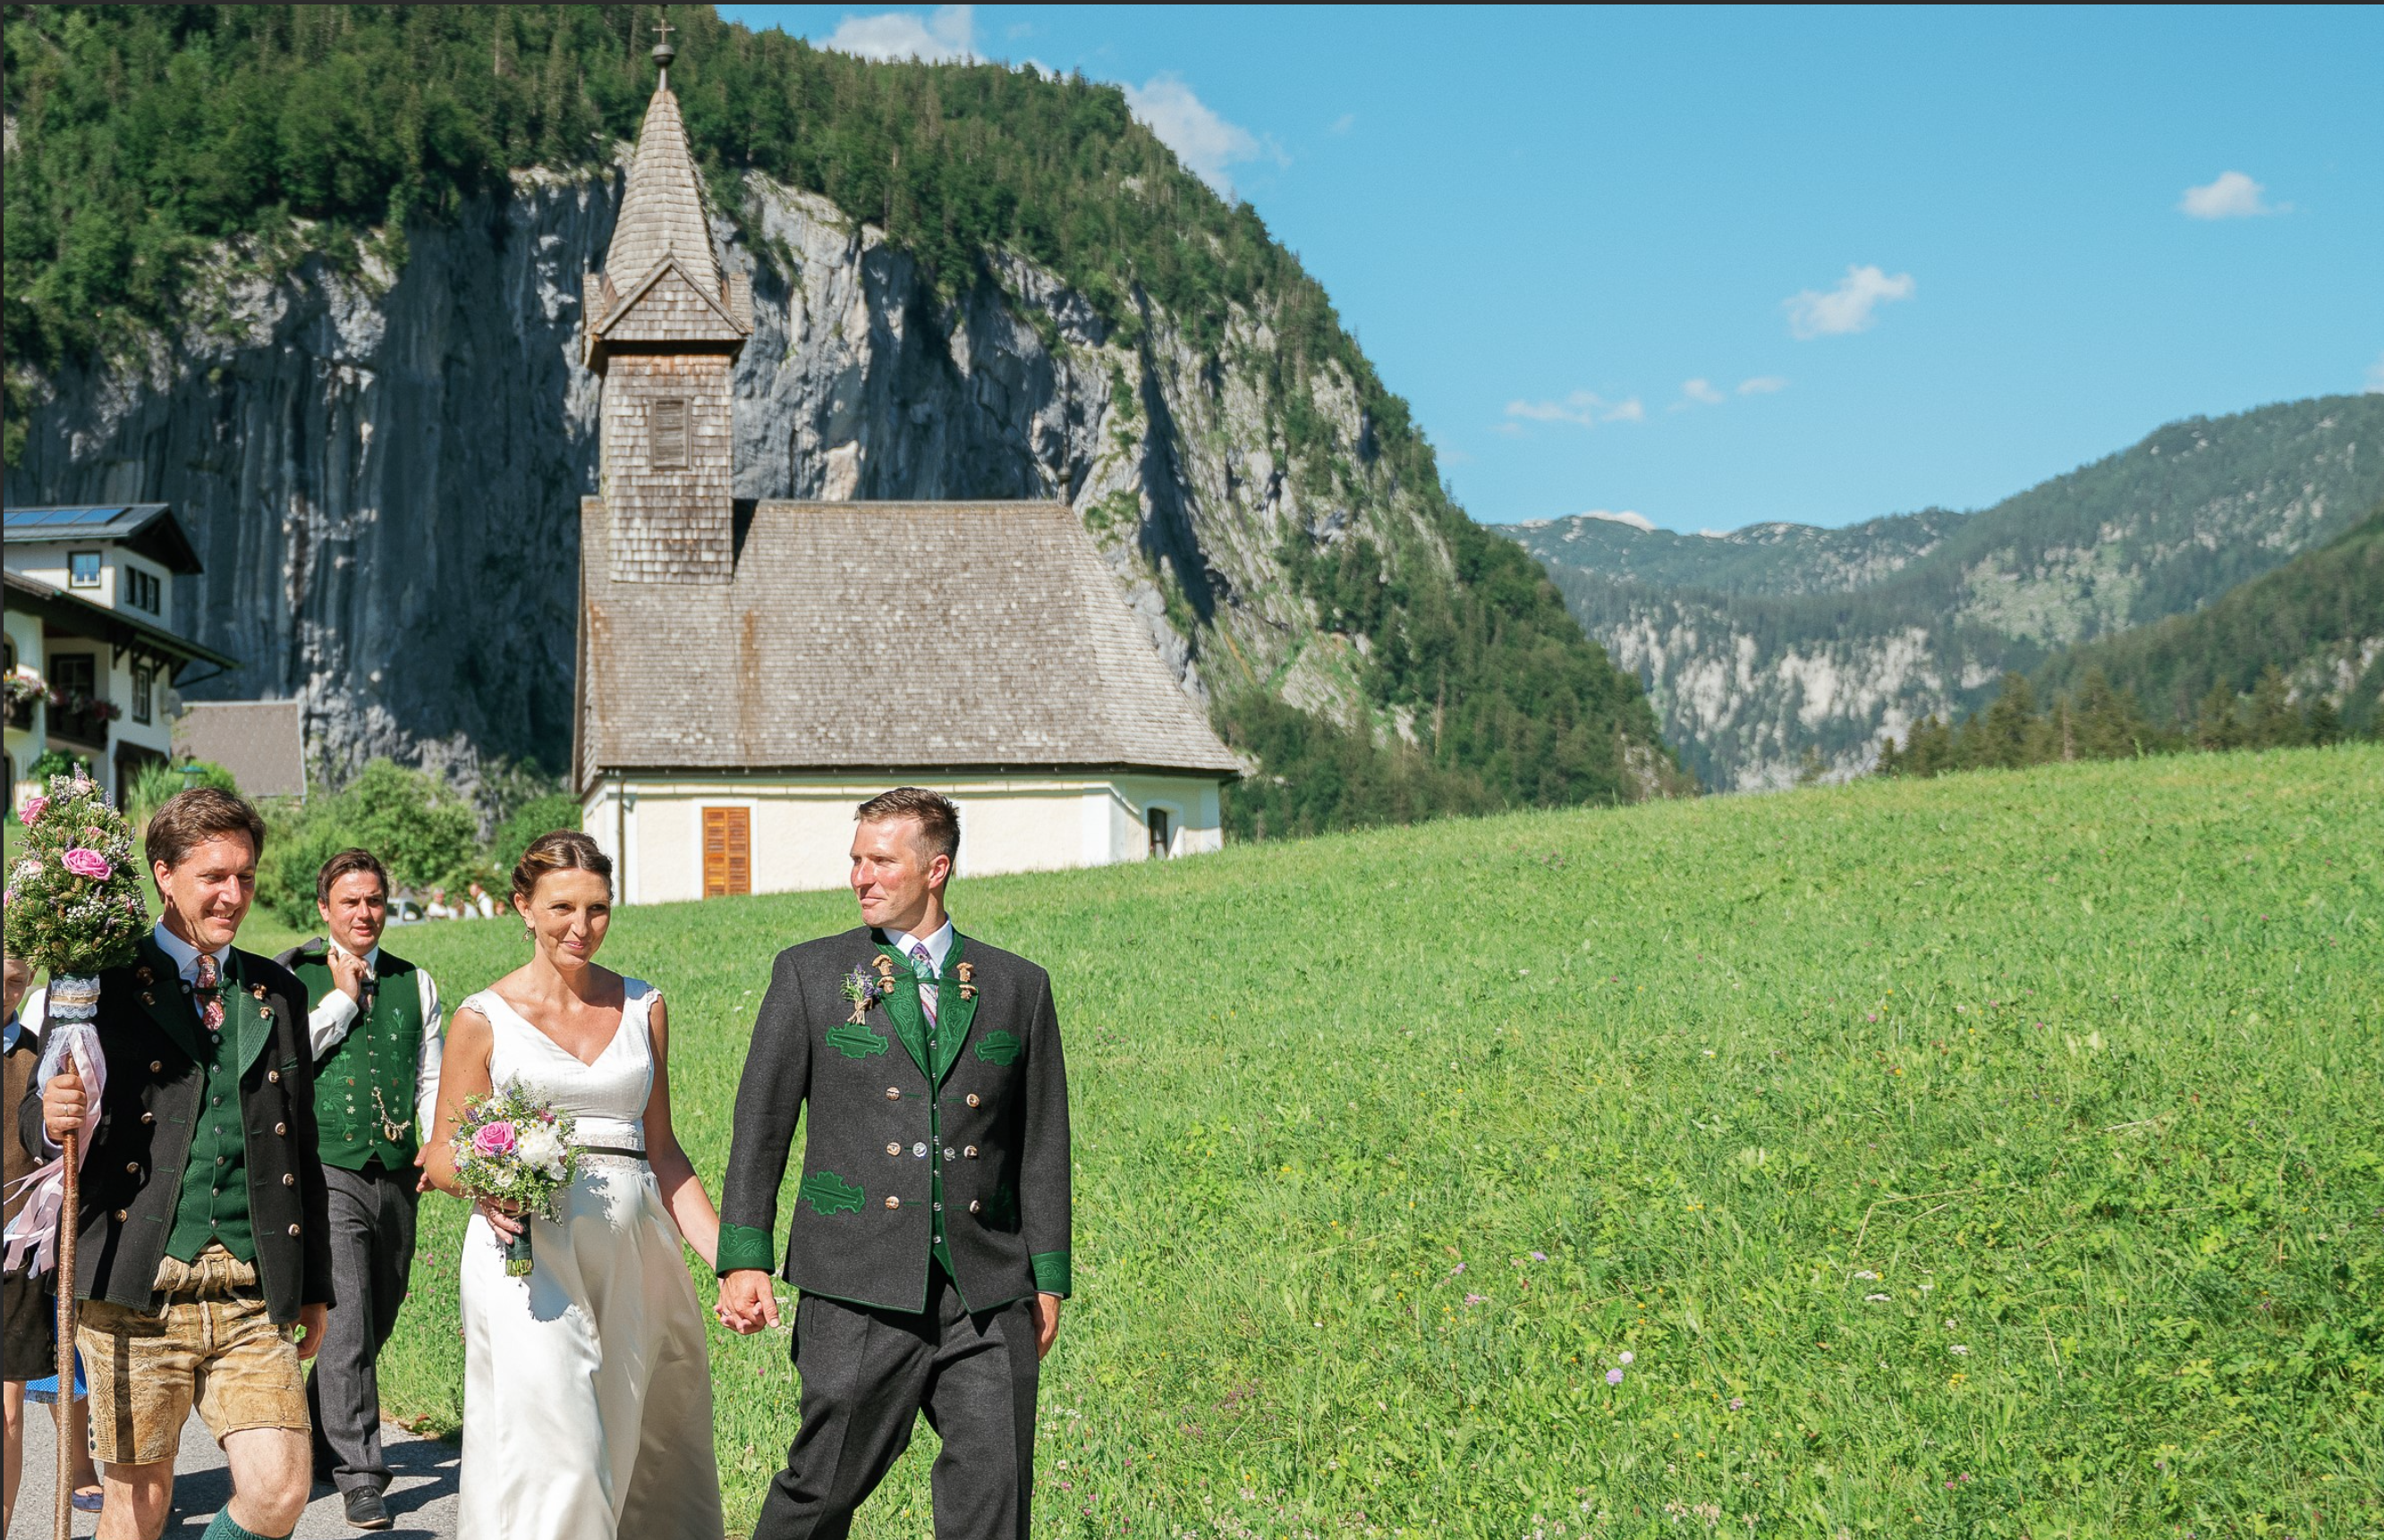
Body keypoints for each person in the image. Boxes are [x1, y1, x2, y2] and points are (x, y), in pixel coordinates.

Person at [717, 787, 1073, 1539]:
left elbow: (1041, 1143)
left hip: (986, 1286)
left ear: (935, 868)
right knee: (822, 1486)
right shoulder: (810, 974)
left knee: (996, 1492)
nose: (860, 876)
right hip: (855, 1280)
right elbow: (761, 1125)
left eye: (881, 860)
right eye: (856, 859)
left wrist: (1046, 1278)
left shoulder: (1018, 985)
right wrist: (742, 1254)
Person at [27, 788, 331, 1540]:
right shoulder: (92, 986)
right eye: (214, 877)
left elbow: (302, 1147)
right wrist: (50, 1117)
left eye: (246, 878)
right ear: (164, 874)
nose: (234, 895)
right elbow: (38, 1121)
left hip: (251, 1289)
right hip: (136, 1284)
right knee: (140, 1504)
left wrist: (314, 1283)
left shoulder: (277, 992)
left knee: (282, 1490)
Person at [423, 831, 723, 1539]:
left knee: (643, 1439)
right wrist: (485, 1180)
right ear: (522, 907)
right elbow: (437, 1155)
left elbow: (664, 1150)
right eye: (561, 907)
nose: (580, 928)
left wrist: (730, 1260)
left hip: (636, 1250)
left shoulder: (646, 1006)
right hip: (530, 1257)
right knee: (562, 1454)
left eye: (597, 909)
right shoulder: (481, 1018)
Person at [276, 850, 445, 1531]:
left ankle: (319, 1427)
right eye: (349, 902)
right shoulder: (296, 978)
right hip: (327, 1168)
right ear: (325, 909)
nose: (363, 913)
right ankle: (362, 1476)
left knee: (383, 1306)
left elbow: (431, 1071)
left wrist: (436, 1141)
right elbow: (285, 1059)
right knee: (344, 1321)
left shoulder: (417, 982)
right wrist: (343, 1002)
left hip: (400, 1168)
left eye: (373, 900)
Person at [4, 956, 104, 1528]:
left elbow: (54, 1143)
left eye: (16, 981)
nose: (4, 992)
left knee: (7, 1413)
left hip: (16, 1249)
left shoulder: (47, 1056)